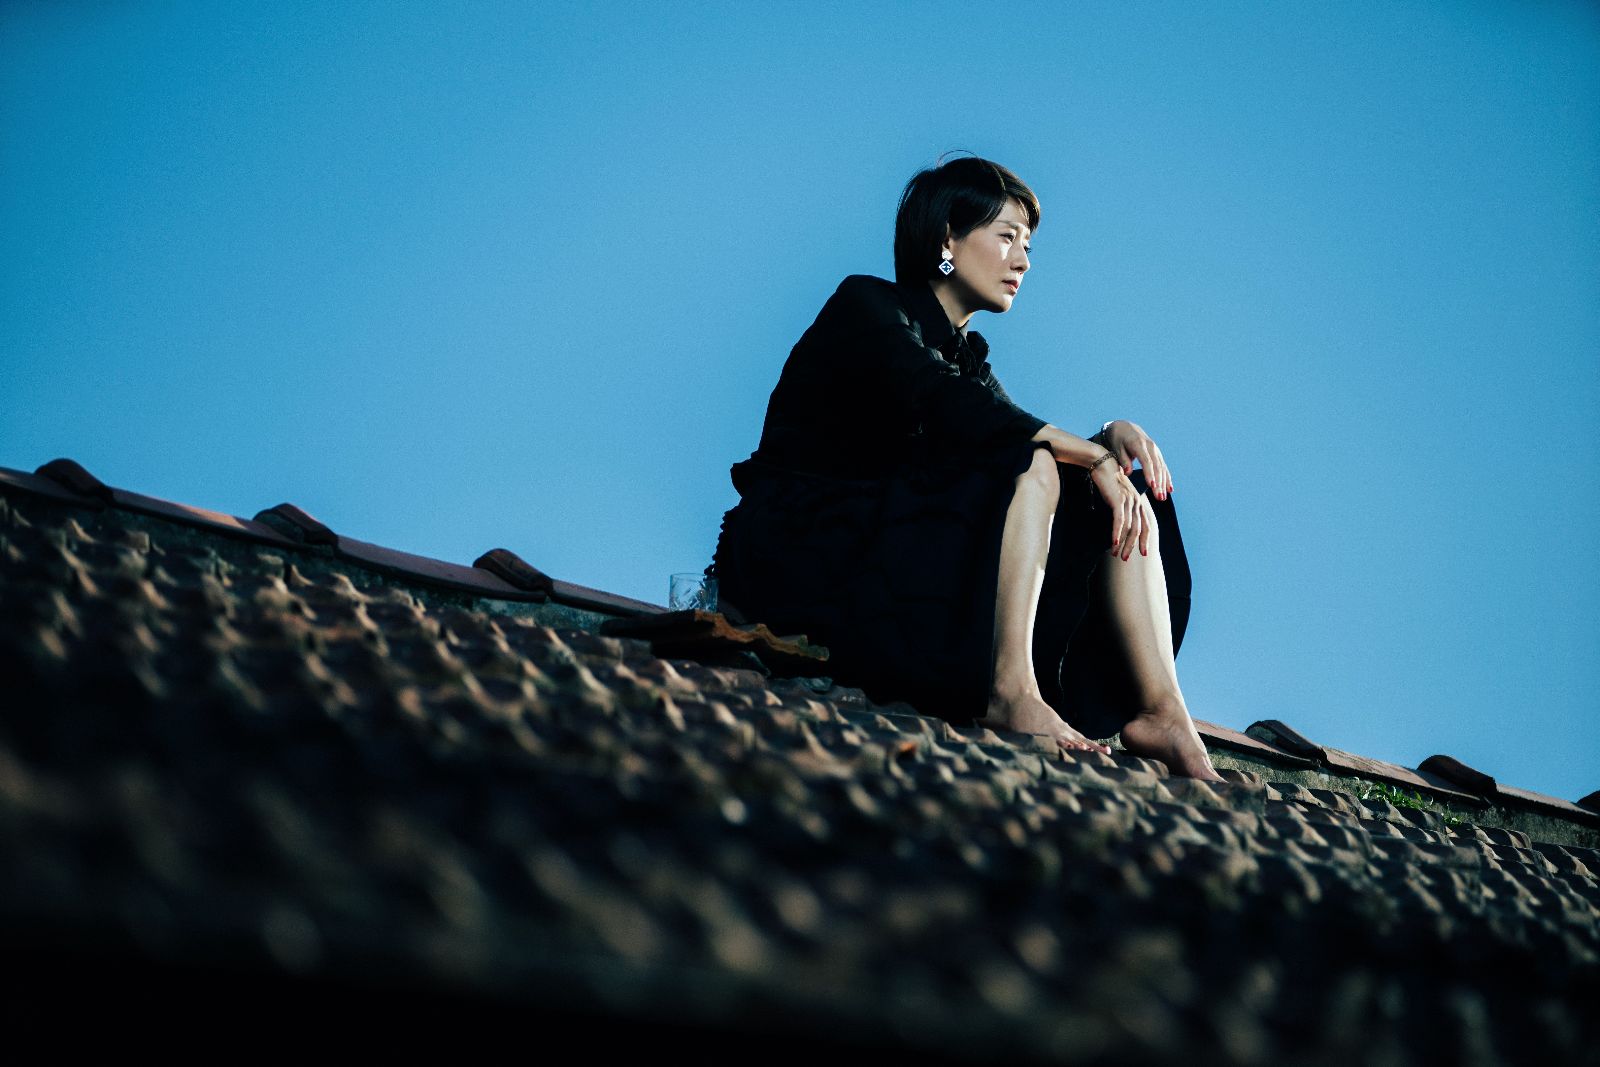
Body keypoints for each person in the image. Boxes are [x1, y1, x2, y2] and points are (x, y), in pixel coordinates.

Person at [712, 156, 1221, 780]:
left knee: (1113, 486)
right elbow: (950, 404)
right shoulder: (866, 305)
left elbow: (1001, 427)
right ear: (946, 240)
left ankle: (1163, 711)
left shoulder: (967, 360)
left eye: (1028, 245)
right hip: (803, 552)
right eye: (1007, 237)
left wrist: (1105, 445)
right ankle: (1012, 692)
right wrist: (1085, 454)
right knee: (1032, 460)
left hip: (895, 558)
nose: (1023, 261)